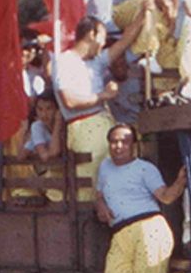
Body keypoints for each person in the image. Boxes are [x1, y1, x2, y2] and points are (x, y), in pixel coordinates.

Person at [95, 123, 188, 273]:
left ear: (133, 145)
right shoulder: (105, 167)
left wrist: (179, 182)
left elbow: (166, 197)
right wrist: (101, 205)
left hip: (149, 228)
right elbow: (98, 193)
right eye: (114, 141)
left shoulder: (144, 169)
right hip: (120, 233)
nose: (118, 146)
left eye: (124, 142)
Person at [55, 16, 140, 196]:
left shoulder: (96, 61)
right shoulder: (64, 61)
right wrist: (104, 95)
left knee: (116, 179)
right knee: (90, 184)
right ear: (91, 35)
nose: (103, 44)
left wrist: (144, 10)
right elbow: (69, 101)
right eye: (102, 37)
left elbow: (125, 41)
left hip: (106, 124)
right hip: (83, 128)